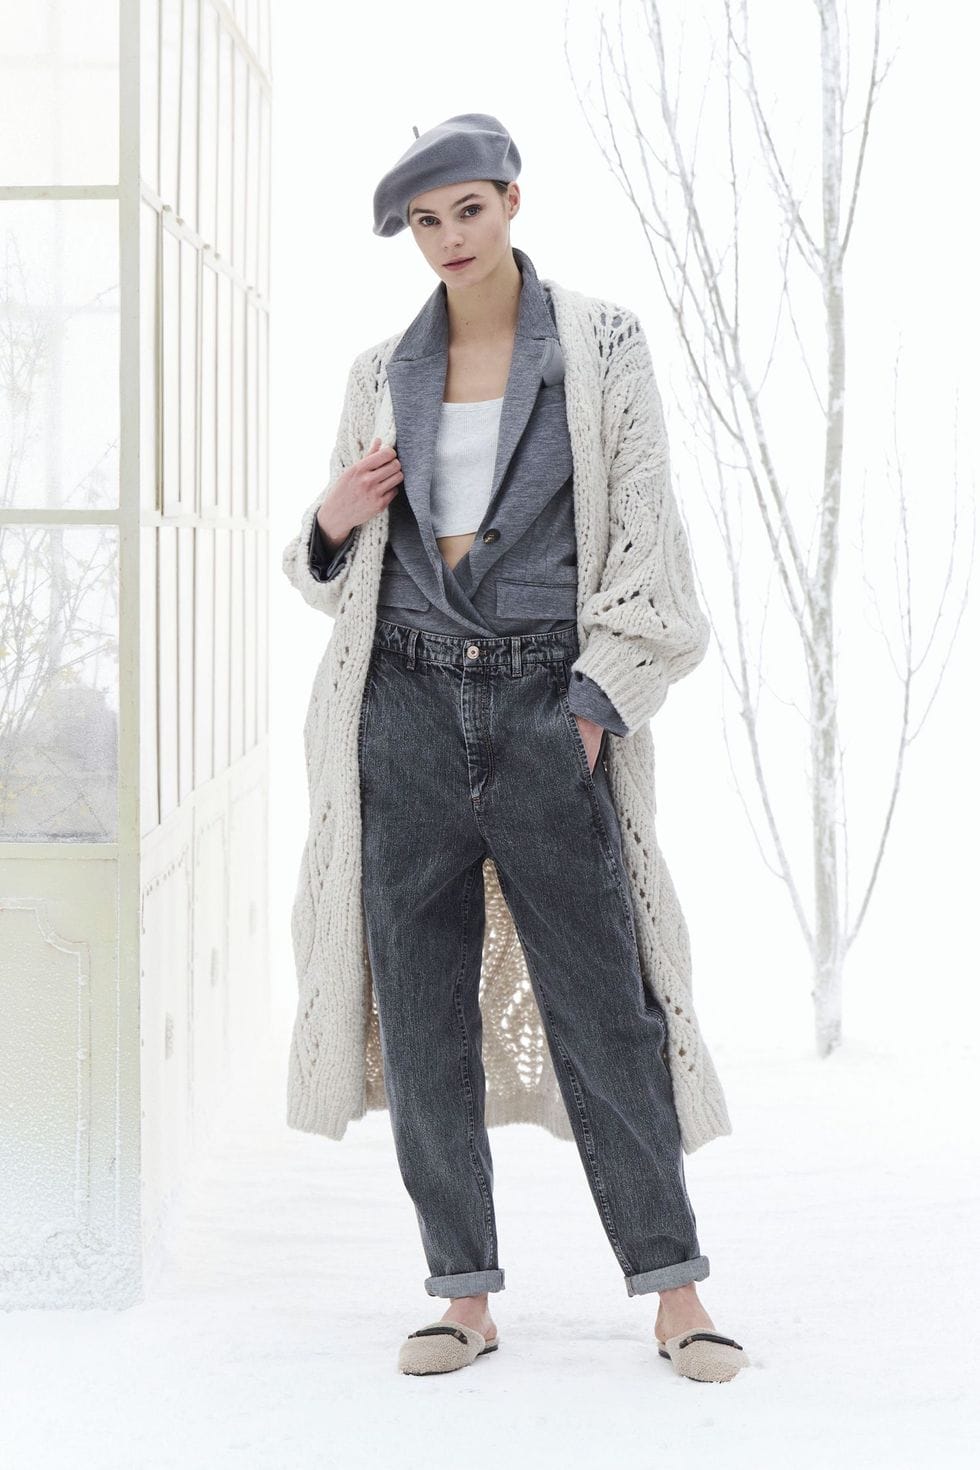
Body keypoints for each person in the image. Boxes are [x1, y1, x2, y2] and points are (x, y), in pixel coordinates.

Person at [290, 113, 747, 1382]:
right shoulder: (378, 371)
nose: (448, 238)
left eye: (467, 211)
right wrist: (330, 517)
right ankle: (461, 1298)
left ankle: (675, 1293)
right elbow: (334, 579)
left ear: (509, 201)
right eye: (423, 223)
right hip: (403, 710)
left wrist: (591, 709)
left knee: (607, 1008)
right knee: (420, 1009)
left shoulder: (599, 345)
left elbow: (648, 546)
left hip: (549, 704)